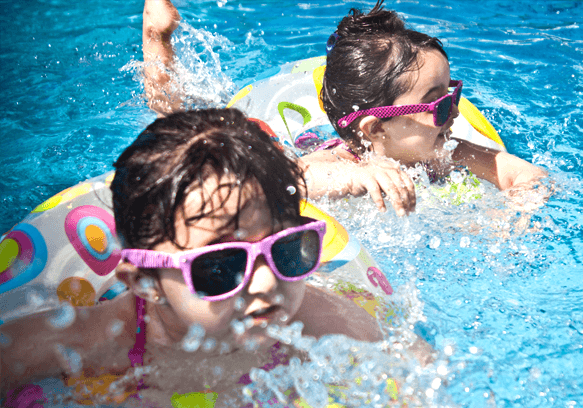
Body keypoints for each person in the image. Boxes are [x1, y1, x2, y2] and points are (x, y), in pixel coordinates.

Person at [0, 108, 382, 405]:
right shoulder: (84, 345)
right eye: (222, 266)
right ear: (144, 281)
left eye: (286, 250)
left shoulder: (325, 327)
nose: (267, 283)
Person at [140, 0, 548, 216]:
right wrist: (353, 176)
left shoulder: (449, 152)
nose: (454, 114)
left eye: (453, 95)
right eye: (437, 106)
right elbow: (276, 183)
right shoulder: (338, 159)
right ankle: (157, 37)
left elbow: (521, 173)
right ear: (375, 130)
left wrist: (519, 207)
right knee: (180, 130)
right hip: (296, 143)